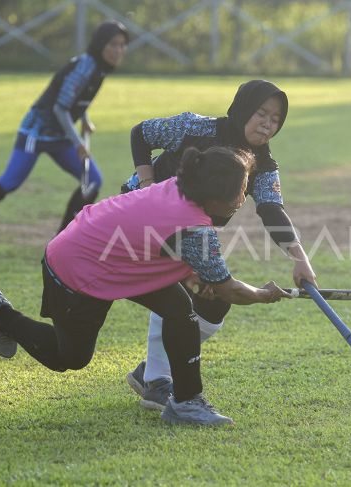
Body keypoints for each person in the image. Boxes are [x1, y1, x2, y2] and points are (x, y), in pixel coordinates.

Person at [0, 146, 291, 426]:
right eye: (239, 193)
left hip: (110, 256)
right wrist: (264, 295)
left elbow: (160, 244)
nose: (242, 199)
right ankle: (2, 316)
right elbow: (229, 290)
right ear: (214, 197)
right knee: (71, 358)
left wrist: (196, 276)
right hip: (77, 267)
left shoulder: (179, 188)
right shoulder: (196, 228)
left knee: (179, 309)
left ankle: (185, 402)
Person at [121, 80, 319, 410]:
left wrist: (300, 259)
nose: (268, 123)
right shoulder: (194, 128)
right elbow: (140, 134)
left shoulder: (264, 165)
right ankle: (157, 382)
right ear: (243, 108)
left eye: (276, 118)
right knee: (179, 291)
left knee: (214, 304)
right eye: (261, 113)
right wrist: (147, 185)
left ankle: (153, 371)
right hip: (138, 217)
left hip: (190, 233)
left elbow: (271, 210)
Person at [0, 21, 129, 251]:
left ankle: (61, 243)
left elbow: (75, 98)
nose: (119, 50)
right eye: (114, 44)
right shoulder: (86, 67)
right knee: (9, 182)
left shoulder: (98, 68)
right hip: (36, 132)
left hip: (59, 135)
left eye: (122, 45)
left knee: (92, 180)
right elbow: (60, 107)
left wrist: (85, 119)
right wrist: (78, 142)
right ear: (100, 45)